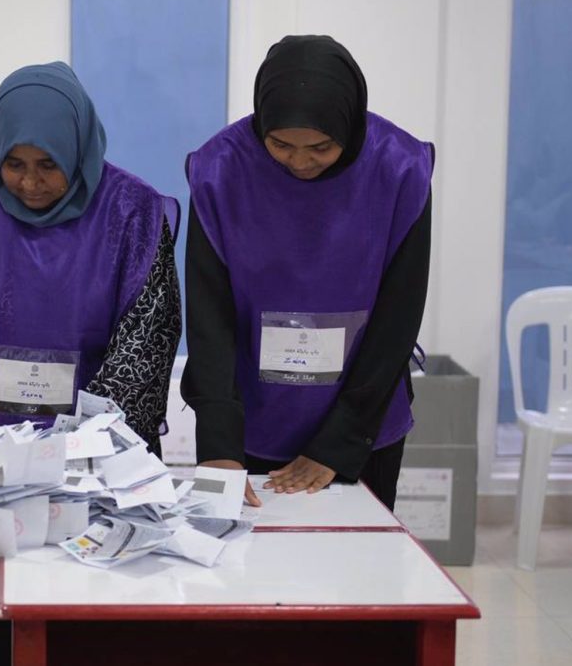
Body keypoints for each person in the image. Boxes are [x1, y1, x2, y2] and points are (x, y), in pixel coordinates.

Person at [182, 35, 432, 510]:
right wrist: (218, 443)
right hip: (252, 419)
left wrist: (341, 440)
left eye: (321, 146)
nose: (300, 162)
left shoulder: (400, 169)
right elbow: (209, 314)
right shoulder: (220, 171)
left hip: (362, 419)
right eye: (279, 144)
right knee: (247, 571)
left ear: (348, 124)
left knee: (354, 573)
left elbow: (398, 317)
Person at [0, 62, 181, 455]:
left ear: (76, 147)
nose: (30, 183)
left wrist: (83, 443)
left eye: (49, 165)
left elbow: (147, 340)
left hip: (96, 450)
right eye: (14, 164)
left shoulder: (132, 213)